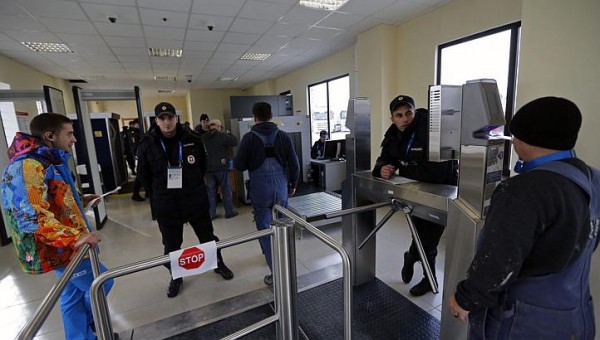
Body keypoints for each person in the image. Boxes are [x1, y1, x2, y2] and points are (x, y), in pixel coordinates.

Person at [449, 97, 599, 339]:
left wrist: (466, 298)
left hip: (523, 322)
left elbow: (497, 260)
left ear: (524, 140)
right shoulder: (592, 178)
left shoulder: (523, 190)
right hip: (575, 315)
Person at [1, 113, 114, 340]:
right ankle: (91, 330)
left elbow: (53, 198)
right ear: (50, 135)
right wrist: (73, 239)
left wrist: (82, 200)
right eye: (69, 133)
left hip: (67, 242)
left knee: (71, 295)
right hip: (61, 246)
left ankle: (81, 337)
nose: (74, 139)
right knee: (102, 282)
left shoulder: (51, 160)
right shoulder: (27, 166)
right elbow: (30, 215)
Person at [137, 102, 234, 298]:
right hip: (167, 204)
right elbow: (144, 176)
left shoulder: (192, 139)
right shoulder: (148, 144)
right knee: (171, 244)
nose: (167, 122)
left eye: (170, 118)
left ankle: (218, 263)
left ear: (176, 118)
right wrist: (159, 194)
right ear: (156, 121)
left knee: (208, 237)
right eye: (162, 119)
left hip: (194, 199)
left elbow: (202, 167)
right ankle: (176, 277)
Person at [372, 94, 458, 296]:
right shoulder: (393, 134)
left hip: (441, 193)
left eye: (408, 113)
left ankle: (417, 264)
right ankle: (424, 272)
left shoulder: (432, 130)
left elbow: (437, 172)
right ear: (392, 118)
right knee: (420, 233)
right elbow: (382, 160)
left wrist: (403, 168)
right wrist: (381, 169)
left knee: (430, 238)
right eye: (399, 115)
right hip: (413, 193)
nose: (404, 119)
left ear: (414, 111)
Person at [234, 102, 300, 286]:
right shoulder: (284, 136)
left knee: (265, 230)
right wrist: (293, 184)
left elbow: (239, 165)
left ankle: (276, 273)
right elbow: (295, 164)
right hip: (281, 188)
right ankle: (286, 268)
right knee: (283, 228)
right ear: (271, 115)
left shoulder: (248, 138)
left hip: (260, 190)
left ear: (254, 117)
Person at [201, 119, 239, 220]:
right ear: (218, 127)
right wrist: (229, 134)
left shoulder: (203, 137)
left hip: (208, 169)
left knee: (211, 192)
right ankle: (229, 212)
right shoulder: (223, 136)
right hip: (222, 168)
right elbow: (235, 142)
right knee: (226, 190)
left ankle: (211, 214)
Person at [127, 119, 146, 202]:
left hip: (140, 156)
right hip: (140, 157)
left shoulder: (137, 132)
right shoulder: (134, 133)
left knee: (144, 175)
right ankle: (135, 194)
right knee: (140, 175)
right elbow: (135, 146)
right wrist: (137, 156)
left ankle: (147, 192)